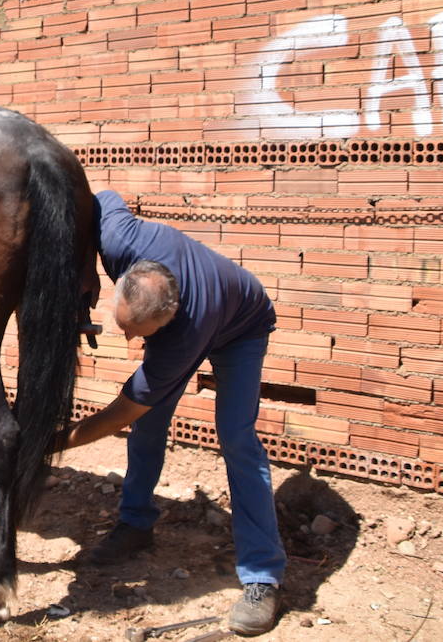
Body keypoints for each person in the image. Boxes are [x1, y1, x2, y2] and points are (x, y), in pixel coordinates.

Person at [55, 189, 286, 636]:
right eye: (124, 327)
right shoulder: (123, 240)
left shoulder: (182, 336)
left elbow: (121, 412)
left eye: (137, 334)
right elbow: (99, 197)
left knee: (237, 438)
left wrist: (60, 439)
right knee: (149, 428)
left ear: (168, 319)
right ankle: (136, 525)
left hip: (243, 325)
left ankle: (263, 577)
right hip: (199, 312)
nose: (127, 341)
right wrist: (85, 269)